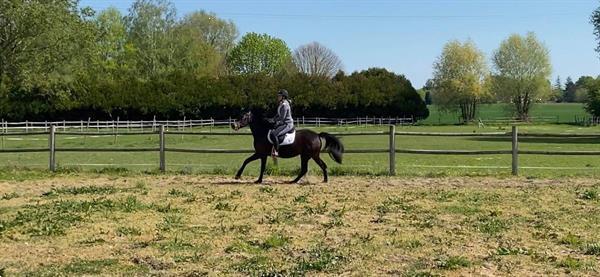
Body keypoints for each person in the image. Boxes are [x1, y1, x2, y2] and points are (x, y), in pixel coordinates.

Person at [270, 89, 294, 157]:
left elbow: (282, 118)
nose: (278, 97)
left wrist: (274, 121)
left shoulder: (285, 105)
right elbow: (278, 114)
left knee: (274, 134)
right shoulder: (281, 104)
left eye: (279, 96)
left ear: (283, 97)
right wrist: (272, 119)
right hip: (283, 123)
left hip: (287, 124)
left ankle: (276, 151)